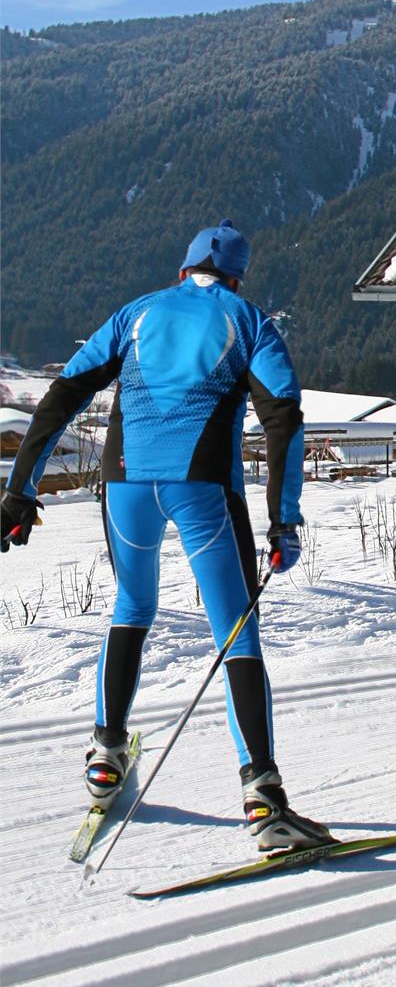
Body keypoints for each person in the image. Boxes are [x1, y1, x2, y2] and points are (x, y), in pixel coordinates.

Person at [0, 220, 333, 852]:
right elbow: (283, 420)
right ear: (236, 275)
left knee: (132, 608)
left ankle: (104, 760)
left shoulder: (136, 314)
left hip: (124, 485)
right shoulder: (252, 321)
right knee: (236, 631)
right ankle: (264, 798)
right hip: (201, 487)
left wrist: (20, 492)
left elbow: (62, 395)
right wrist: (283, 519)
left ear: (183, 269)